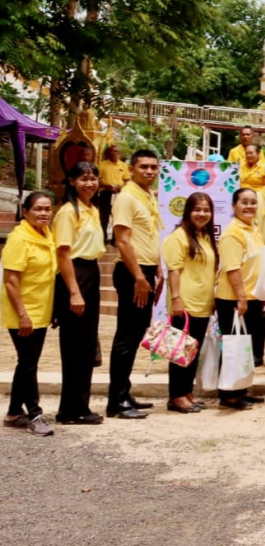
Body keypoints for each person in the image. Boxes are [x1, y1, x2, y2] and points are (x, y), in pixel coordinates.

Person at [107, 148, 162, 420]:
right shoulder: (126, 197)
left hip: (147, 272)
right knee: (126, 337)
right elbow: (123, 240)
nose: (149, 171)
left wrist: (157, 271)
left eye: (153, 167)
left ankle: (124, 392)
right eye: (144, 167)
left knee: (136, 333)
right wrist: (140, 277)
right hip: (132, 273)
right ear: (131, 168)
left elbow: (149, 236)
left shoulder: (147, 195)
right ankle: (116, 402)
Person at [52, 162, 105, 425]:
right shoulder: (67, 212)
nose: (89, 183)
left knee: (86, 345)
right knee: (74, 345)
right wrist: (74, 292)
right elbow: (63, 253)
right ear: (71, 181)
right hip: (75, 274)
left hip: (91, 272)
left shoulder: (92, 209)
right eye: (83, 178)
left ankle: (79, 406)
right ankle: (70, 409)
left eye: (93, 178)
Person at [3, 192, 57, 436]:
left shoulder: (46, 236)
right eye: (38, 209)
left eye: (47, 208)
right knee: (28, 362)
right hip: (22, 311)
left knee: (28, 362)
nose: (43, 213)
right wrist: (23, 315)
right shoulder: (20, 239)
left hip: (41, 309)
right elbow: (11, 280)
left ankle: (14, 412)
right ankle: (34, 413)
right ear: (25, 212)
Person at [162, 193, 218, 413]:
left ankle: (187, 392)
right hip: (184, 306)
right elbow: (174, 270)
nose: (202, 214)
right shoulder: (178, 237)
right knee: (179, 353)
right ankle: (175, 396)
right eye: (197, 210)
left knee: (192, 353)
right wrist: (176, 299)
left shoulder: (205, 236)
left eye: (206, 210)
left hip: (202, 305)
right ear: (187, 212)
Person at [216, 189, 265, 398]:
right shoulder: (232, 232)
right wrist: (242, 297)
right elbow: (232, 267)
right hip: (233, 299)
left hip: (253, 296)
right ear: (233, 206)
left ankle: (241, 389)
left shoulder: (254, 229)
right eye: (244, 202)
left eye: (253, 202)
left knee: (244, 347)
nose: (249, 207)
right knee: (232, 347)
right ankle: (229, 394)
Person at [97, 144, 130, 240]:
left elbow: (127, 180)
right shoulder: (102, 165)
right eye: (111, 151)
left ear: (119, 153)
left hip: (118, 194)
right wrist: (105, 186)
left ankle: (115, 240)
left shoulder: (123, 166)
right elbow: (97, 180)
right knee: (104, 217)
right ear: (108, 153)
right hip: (105, 193)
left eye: (116, 151)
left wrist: (121, 187)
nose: (113, 153)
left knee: (117, 216)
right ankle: (103, 238)